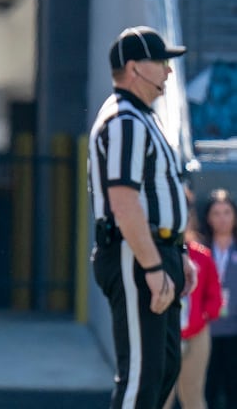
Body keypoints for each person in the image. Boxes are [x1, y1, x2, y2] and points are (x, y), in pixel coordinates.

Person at [88, 26, 197, 408]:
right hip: (133, 254)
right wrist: (152, 266)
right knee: (141, 372)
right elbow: (124, 203)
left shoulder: (143, 117)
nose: (169, 71)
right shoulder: (124, 120)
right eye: (161, 62)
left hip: (153, 251)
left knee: (164, 366)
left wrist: (176, 252)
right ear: (133, 68)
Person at [163, 191, 222, 409]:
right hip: (165, 334)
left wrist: (201, 318)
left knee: (193, 396)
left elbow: (214, 297)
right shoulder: (156, 254)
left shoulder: (201, 255)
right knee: (161, 397)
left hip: (196, 333)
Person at [200, 189, 237, 409]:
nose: (222, 219)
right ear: (208, 217)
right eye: (216, 213)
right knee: (208, 388)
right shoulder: (200, 250)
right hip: (206, 330)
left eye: (227, 212)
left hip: (234, 331)